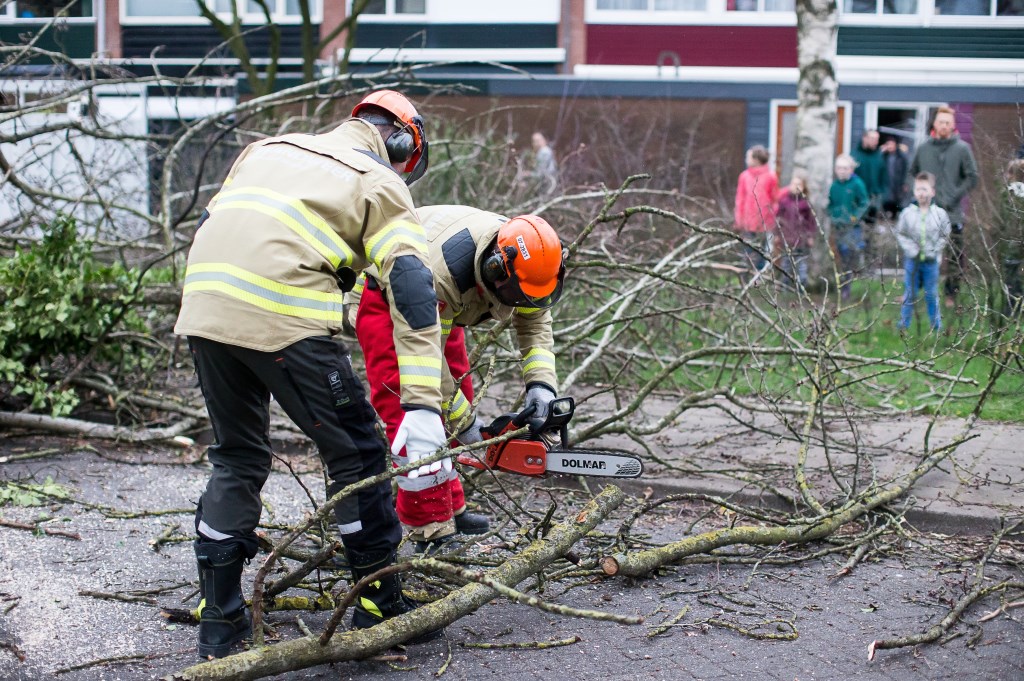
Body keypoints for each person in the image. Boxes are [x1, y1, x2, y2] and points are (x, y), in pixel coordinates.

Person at [174, 89, 447, 658]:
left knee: (237, 455)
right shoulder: (378, 180)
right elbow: (414, 289)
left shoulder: (265, 149)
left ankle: (220, 626)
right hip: (283, 312)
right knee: (358, 455)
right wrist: (422, 403)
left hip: (204, 305)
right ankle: (378, 606)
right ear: (402, 144)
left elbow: (217, 227)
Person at [347, 205, 564, 552]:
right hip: (390, 300)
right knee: (414, 414)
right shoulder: (444, 271)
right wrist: (469, 425)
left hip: (439, 311)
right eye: (516, 295)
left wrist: (541, 387)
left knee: (461, 389)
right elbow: (428, 366)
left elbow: (535, 322)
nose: (521, 303)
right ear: (495, 269)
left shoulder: (529, 265)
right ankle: (429, 528)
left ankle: (451, 506)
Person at [908, 105, 979, 307]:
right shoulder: (924, 148)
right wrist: (918, 194)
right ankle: (916, 289)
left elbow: (972, 177)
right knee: (919, 249)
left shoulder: (962, 148)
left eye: (948, 122)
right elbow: (911, 172)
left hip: (952, 211)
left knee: (955, 254)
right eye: (941, 122)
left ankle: (951, 294)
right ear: (935, 124)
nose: (944, 126)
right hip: (925, 211)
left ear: (953, 125)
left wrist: (954, 195)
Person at [895, 172, 951, 332]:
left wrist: (934, 250)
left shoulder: (939, 214)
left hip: (931, 262)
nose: (921, 193)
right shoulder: (907, 213)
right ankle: (904, 324)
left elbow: (945, 235)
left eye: (925, 189)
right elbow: (901, 233)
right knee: (909, 293)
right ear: (914, 192)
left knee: (931, 294)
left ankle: (936, 325)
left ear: (932, 192)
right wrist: (911, 249)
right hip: (912, 261)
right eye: (918, 189)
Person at [828, 154, 869, 300]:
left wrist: (854, 216)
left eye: (845, 168)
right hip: (838, 226)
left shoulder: (857, 184)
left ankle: (847, 287)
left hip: (852, 227)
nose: (842, 171)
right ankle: (842, 285)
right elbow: (831, 204)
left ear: (851, 169)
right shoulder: (834, 186)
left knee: (849, 254)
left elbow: (864, 203)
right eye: (839, 168)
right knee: (840, 255)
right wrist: (833, 216)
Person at [733, 145, 779, 272]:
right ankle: (745, 276)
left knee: (761, 252)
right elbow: (740, 199)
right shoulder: (744, 176)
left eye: (748, 156)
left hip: (764, 223)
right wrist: (739, 220)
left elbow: (774, 200)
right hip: (747, 223)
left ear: (756, 159)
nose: (746, 159)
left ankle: (757, 280)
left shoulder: (771, 177)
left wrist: (771, 221)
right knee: (747, 251)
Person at [774, 172, 817, 289]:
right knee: (786, 263)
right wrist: (777, 234)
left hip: (801, 240)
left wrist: (810, 237)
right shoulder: (784, 201)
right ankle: (785, 287)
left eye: (799, 184)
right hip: (787, 239)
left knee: (801, 264)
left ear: (804, 187)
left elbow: (811, 223)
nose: (796, 187)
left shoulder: (806, 204)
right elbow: (778, 219)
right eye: (793, 184)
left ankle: (801, 287)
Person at [995, 159, 1024, 317]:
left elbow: (1002, 219)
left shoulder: (1008, 193)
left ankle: (1011, 308)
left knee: (1011, 278)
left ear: (1011, 175)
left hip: (1011, 243)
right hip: (1019, 243)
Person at [881, 137, 909, 218]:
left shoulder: (901, 156)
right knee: (887, 200)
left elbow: (906, 170)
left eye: (891, 144)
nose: (890, 146)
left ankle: (894, 217)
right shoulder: (884, 156)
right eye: (888, 144)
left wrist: (905, 182)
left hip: (898, 182)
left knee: (897, 201)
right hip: (886, 182)